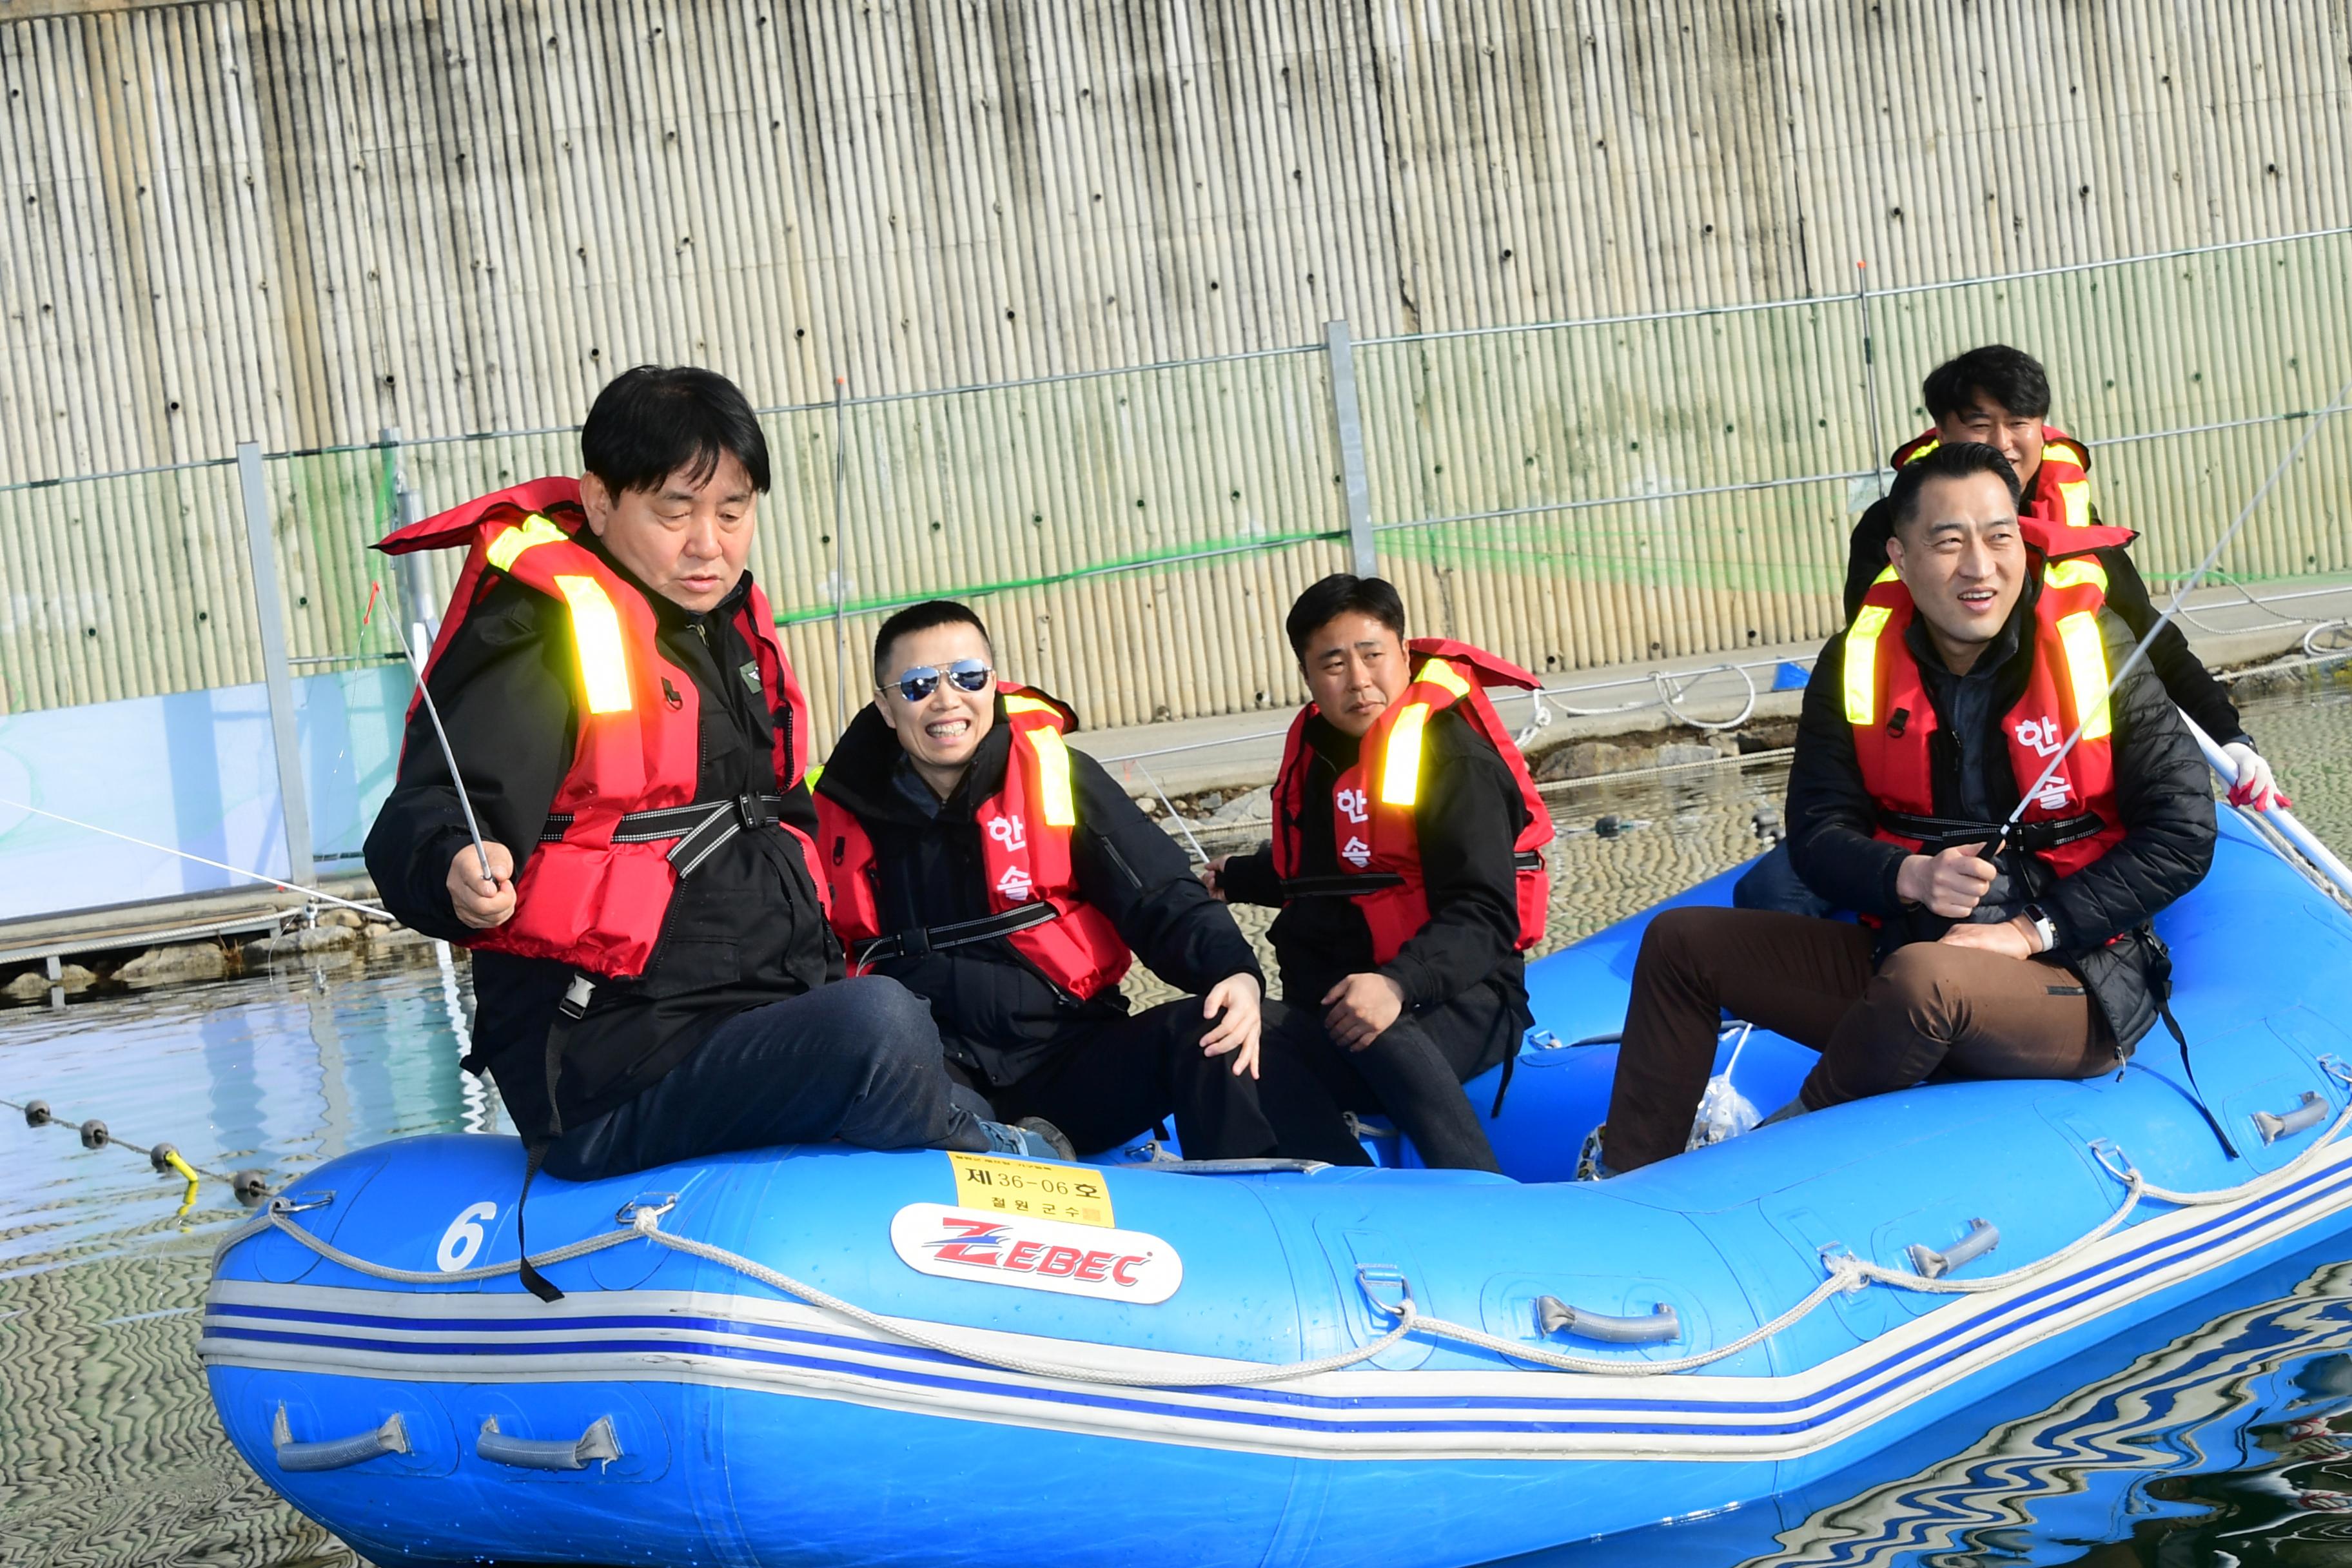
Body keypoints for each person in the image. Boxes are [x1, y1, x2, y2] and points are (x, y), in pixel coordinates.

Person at [364, 368, 1055, 1264]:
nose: (708, 544)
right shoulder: (540, 638)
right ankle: (979, 1167)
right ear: (601, 501)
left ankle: (968, 1131)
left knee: (930, 1000)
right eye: (675, 511)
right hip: (612, 1066)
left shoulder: (727, 635)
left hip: (749, 1024)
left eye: (732, 512)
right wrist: (454, 867)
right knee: (878, 1024)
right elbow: (417, 820)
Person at [1600, 442, 2215, 1173]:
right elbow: (1817, 833)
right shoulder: (1855, 659)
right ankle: (1630, 1179)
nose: (1980, 566)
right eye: (1949, 542)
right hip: (1903, 955)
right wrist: (1909, 877)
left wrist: (2027, 930)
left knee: (1928, 980)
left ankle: (1756, 1165)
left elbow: (2185, 832)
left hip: (2070, 980)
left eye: (2000, 535)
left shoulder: (2095, 648)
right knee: (1681, 943)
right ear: (1899, 553)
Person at [1737, 343, 2275, 916]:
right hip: (1927, 799)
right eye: (1979, 424)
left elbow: (2151, 642)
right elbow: (1874, 667)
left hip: (2050, 801)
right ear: (1941, 430)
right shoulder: (1894, 525)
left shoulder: (2075, 530)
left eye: (2019, 424)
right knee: (1770, 895)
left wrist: (2231, 738)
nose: (2002, 442)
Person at [809, 600, 1284, 1160]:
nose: (946, 700)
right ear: (886, 708)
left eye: (967, 677)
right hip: (941, 1082)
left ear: (992, 685)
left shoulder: (1058, 774)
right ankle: (1004, 1151)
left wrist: (1233, 970)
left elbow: (1158, 892)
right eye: (917, 685)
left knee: (1211, 1028)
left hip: (1071, 1055)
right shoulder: (833, 815)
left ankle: (1247, 1211)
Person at [1202, 575, 1554, 1171]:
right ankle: (1341, 1194)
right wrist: (1234, 878)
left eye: (1373, 656)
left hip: (1461, 997)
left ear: (1404, 654)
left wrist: (1396, 985)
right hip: (1335, 996)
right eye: (1334, 664)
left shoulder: (1455, 758)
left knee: (1371, 1028)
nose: (1359, 681)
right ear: (1309, 677)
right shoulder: (1319, 755)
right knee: (1226, 1028)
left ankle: (1486, 1193)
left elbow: (1487, 912)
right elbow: (1340, 870)